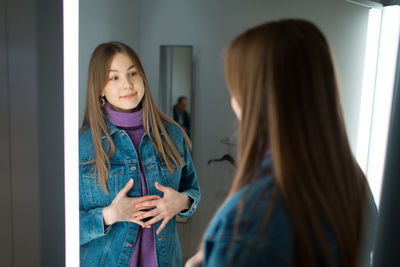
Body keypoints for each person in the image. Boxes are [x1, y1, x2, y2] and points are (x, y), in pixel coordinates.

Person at [186, 19, 377, 267]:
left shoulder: (253, 218)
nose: (232, 101)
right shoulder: (352, 183)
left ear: (253, 97)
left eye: (234, 89)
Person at [79, 41, 201, 267]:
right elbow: (63, 228)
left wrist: (182, 202)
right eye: (114, 77)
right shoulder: (81, 146)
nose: (127, 84)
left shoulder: (172, 134)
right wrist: (108, 215)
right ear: (99, 88)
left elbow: (193, 190)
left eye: (132, 73)